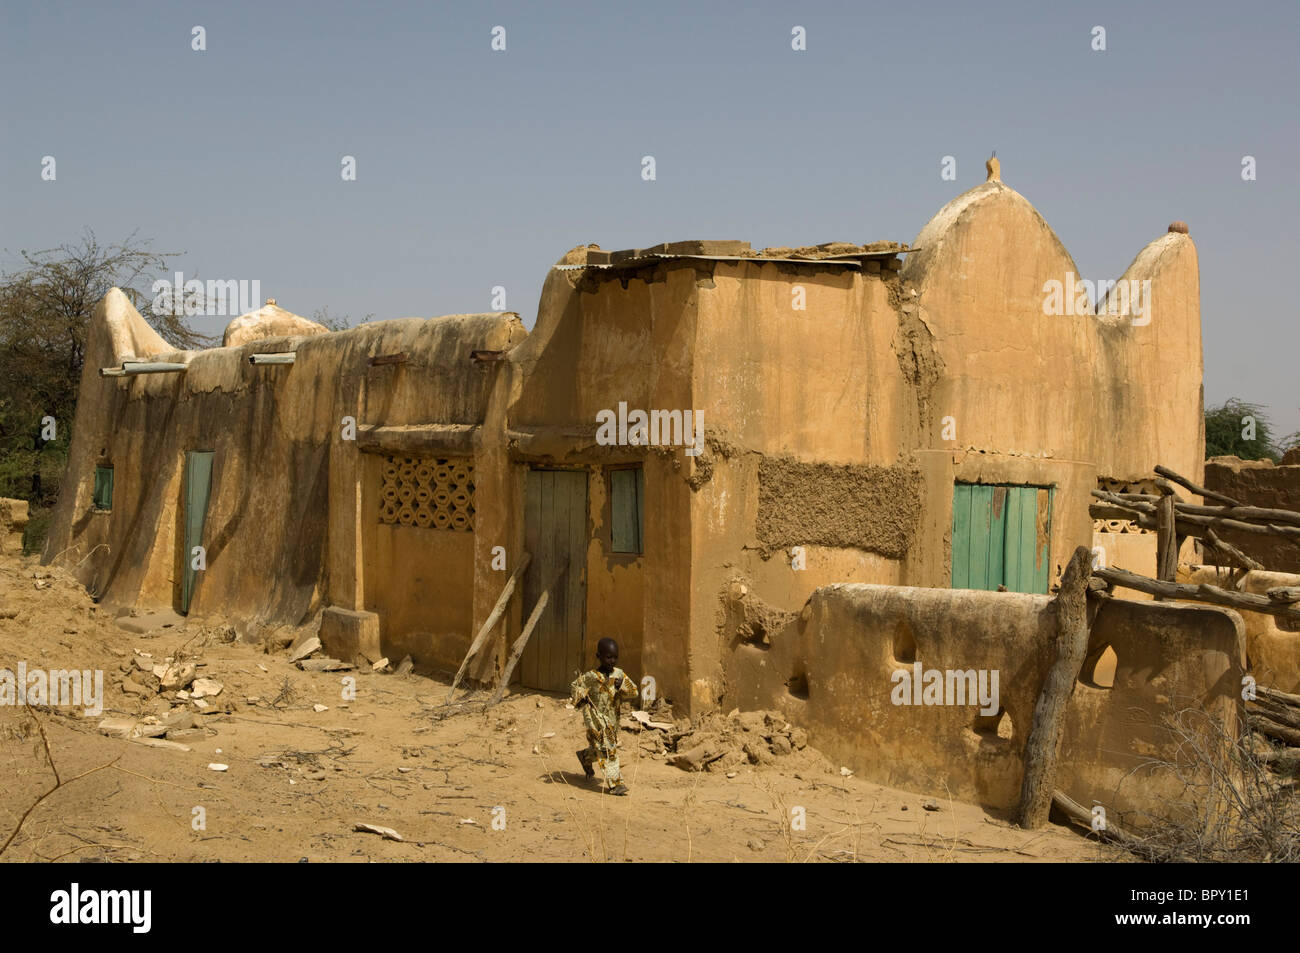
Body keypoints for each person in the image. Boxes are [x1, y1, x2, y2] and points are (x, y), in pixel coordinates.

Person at [570, 637, 639, 795]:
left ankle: (585, 756)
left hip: (612, 720)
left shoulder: (619, 675)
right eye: (608, 657)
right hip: (595, 719)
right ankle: (616, 784)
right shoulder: (591, 677)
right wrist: (582, 697)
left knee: (601, 748)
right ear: (598, 656)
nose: (612, 661)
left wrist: (621, 686)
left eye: (615, 657)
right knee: (609, 749)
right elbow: (576, 686)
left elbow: (634, 691)